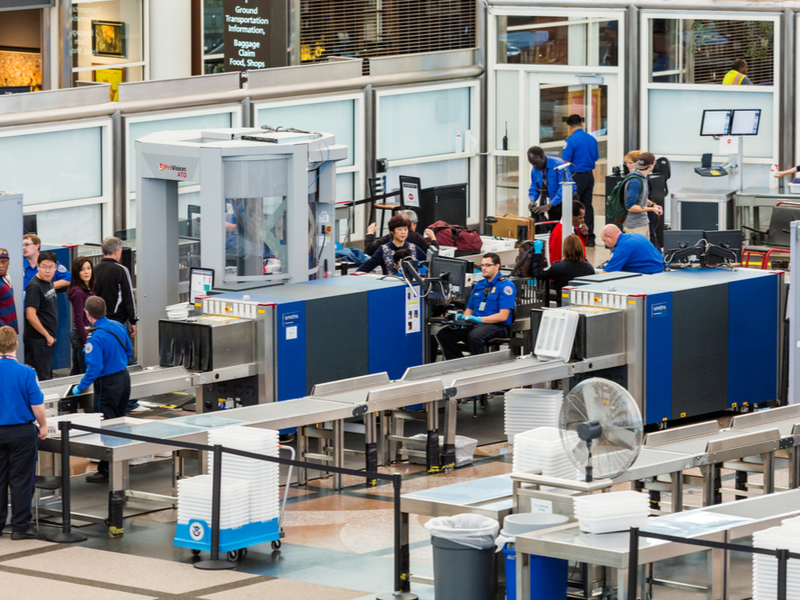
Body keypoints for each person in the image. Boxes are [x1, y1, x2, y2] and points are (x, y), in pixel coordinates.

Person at [74, 296, 133, 483]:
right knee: (120, 422)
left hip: (108, 384)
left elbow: (94, 367)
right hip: (124, 379)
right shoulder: (117, 326)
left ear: (87, 314)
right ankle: (121, 466)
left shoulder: (96, 337)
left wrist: (80, 387)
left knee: (107, 426)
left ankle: (107, 471)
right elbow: (129, 351)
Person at [0, 325, 48, 540]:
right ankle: (20, 526)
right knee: (21, 479)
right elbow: (37, 405)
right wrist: (44, 426)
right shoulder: (26, 372)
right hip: (21, 432)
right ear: (16, 345)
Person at [436, 253, 517, 360]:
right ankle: (458, 364)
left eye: (487, 265)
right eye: (482, 265)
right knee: (444, 334)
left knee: (474, 336)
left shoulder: (506, 286)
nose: (483, 268)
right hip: (475, 324)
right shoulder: (479, 285)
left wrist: (479, 319)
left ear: (497, 266)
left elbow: (503, 316)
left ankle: (477, 367)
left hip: (497, 325)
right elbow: (469, 310)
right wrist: (462, 321)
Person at [93, 237, 141, 412]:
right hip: (119, 324)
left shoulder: (94, 269)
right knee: (127, 361)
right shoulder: (121, 270)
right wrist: (134, 320)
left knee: (106, 362)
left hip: (99, 324)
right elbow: (129, 297)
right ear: (117, 251)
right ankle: (129, 402)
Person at [562, 115, 599, 246]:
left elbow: (566, 161)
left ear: (569, 126)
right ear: (581, 124)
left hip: (576, 176)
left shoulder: (571, 141)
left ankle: (575, 236)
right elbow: (595, 158)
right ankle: (589, 238)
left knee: (574, 207)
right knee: (587, 206)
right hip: (589, 176)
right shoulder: (592, 139)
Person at [24, 251, 58, 381]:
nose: (47, 270)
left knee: (47, 375)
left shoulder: (48, 281)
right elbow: (30, 315)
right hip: (38, 340)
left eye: (51, 267)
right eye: (44, 267)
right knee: (41, 379)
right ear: (38, 266)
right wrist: (47, 335)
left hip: (47, 339)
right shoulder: (34, 286)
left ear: (55, 267)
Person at [356, 215, 427, 276]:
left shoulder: (413, 248)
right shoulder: (383, 250)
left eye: (405, 229)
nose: (403, 232)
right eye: (399, 229)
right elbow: (366, 267)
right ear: (392, 231)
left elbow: (428, 264)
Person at [534, 235, 595, 305]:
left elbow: (538, 274)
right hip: (582, 306)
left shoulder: (558, 267)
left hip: (563, 306)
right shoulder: (588, 267)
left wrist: (537, 254)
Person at [528, 145, 574, 222]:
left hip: (567, 201)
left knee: (566, 228)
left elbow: (564, 189)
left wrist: (549, 205)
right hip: (553, 202)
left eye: (536, 163)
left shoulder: (558, 164)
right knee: (554, 228)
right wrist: (532, 200)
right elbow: (534, 187)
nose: (534, 166)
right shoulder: (535, 170)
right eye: (532, 164)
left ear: (542, 157)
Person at [622, 152, 662, 238]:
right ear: (651, 165)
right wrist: (651, 209)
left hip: (643, 223)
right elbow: (630, 206)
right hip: (634, 227)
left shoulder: (642, 176)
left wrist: (653, 204)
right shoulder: (635, 181)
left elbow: (640, 198)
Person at [365, 209, 437, 255]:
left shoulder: (389, 238)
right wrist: (433, 239)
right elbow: (433, 254)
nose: (403, 233)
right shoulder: (417, 238)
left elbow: (369, 250)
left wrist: (370, 233)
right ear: (412, 225)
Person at [600, 224, 665, 275]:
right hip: (660, 270)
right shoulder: (636, 236)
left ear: (610, 237)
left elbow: (607, 273)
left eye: (604, 240)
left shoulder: (623, 247)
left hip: (649, 276)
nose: (605, 244)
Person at [67, 257, 94, 375]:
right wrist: (85, 340)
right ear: (77, 272)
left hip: (87, 332)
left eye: (88, 268)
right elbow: (78, 319)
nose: (86, 272)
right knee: (82, 369)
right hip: (80, 333)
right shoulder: (78, 292)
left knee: (78, 369)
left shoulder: (89, 288)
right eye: (82, 269)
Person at [0, 248, 18, 333]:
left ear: (8, 262)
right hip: (3, 333)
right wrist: (6, 332)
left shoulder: (5, 278)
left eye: (3, 262)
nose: (0, 265)